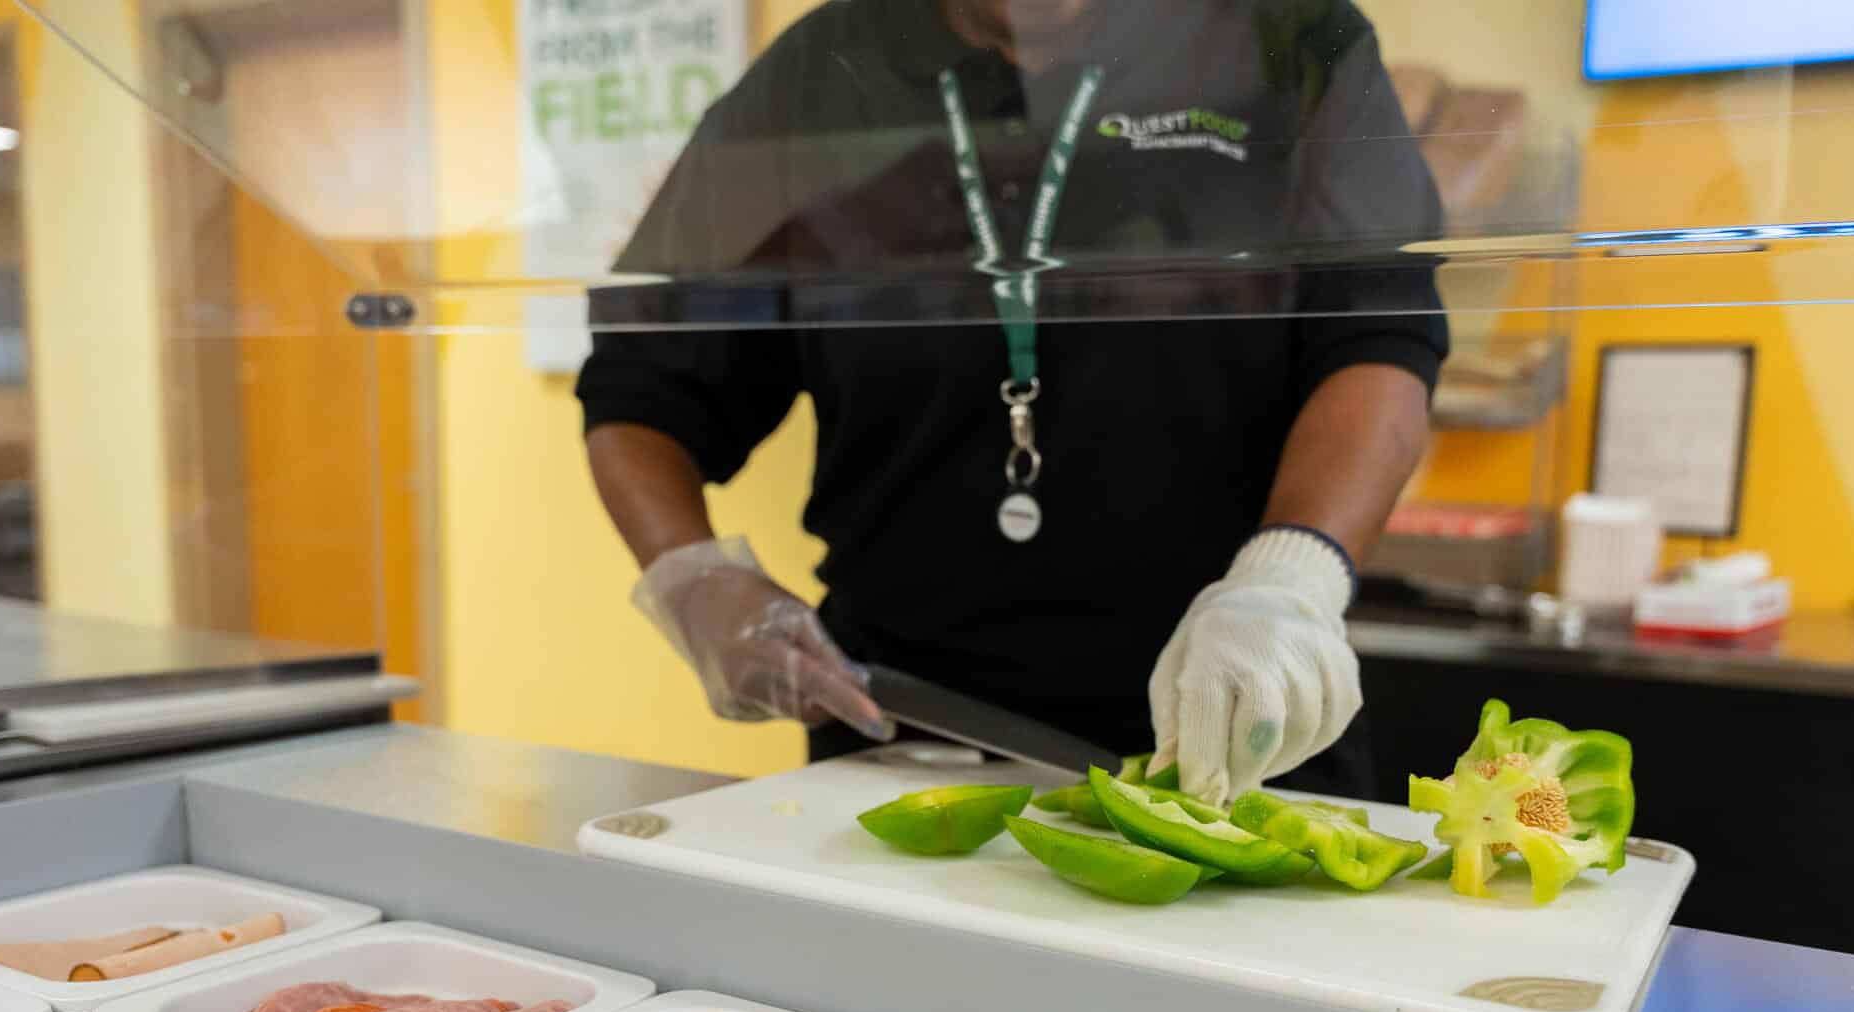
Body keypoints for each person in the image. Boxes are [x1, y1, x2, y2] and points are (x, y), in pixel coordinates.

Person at [579, 0, 1447, 806]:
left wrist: (1289, 584)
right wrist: (694, 582)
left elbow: (1379, 341)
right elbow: (641, 388)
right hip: (900, 748)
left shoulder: (1284, 34)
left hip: (1243, 724)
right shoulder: (819, 76)